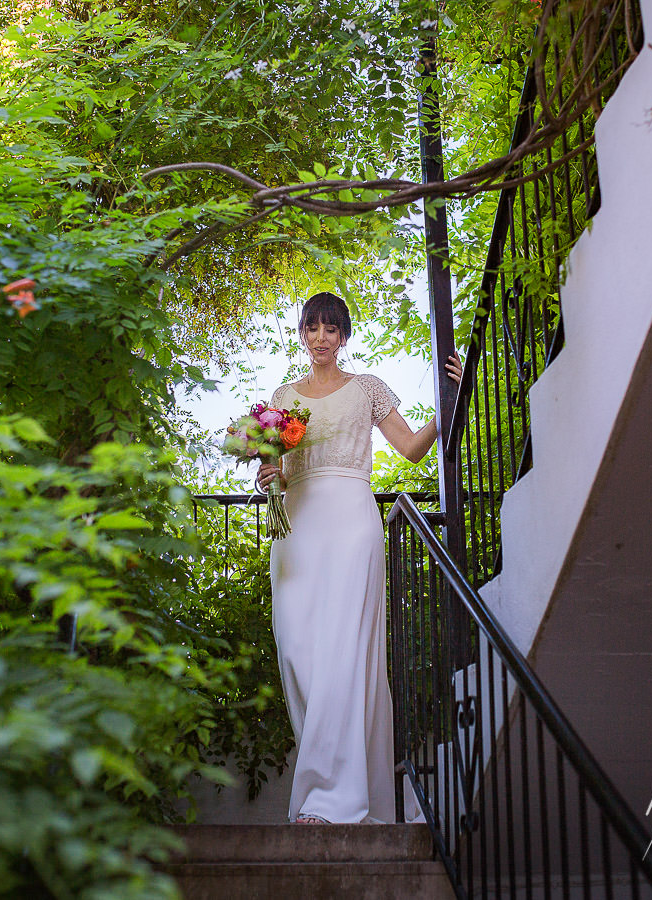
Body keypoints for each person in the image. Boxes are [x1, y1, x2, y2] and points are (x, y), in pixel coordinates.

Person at [257, 291, 462, 825]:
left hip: (351, 521)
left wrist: (450, 399)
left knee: (344, 656)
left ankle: (329, 799)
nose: (321, 338)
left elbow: (413, 448)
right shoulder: (287, 399)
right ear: (302, 334)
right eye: (312, 328)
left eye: (331, 329)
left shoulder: (366, 389)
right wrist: (269, 472)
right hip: (297, 528)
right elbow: (283, 466)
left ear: (343, 337)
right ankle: (330, 782)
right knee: (300, 649)